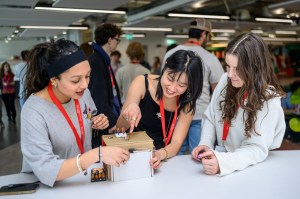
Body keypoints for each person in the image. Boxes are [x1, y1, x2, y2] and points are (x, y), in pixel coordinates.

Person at [21, 39, 129, 187]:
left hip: (81, 180)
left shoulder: (82, 94)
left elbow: (87, 117)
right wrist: (97, 154)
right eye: (75, 80)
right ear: (54, 80)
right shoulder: (33, 111)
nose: (85, 85)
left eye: (88, 76)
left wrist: (97, 121)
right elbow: (46, 169)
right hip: (48, 187)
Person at [192, 33, 286, 176]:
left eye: (237, 69)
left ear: (254, 69)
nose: (230, 74)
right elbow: (211, 116)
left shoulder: (268, 100)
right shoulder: (226, 80)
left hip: (251, 167)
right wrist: (206, 143)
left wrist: (223, 162)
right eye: (228, 66)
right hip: (226, 159)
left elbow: (256, 148)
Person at [116, 50, 204, 169]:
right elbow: (119, 128)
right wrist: (130, 110)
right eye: (170, 78)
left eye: (181, 85)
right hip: (128, 156)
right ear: (165, 67)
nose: (172, 88)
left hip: (160, 159)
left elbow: (177, 143)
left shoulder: (188, 102)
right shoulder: (142, 83)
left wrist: (159, 155)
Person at [163, 18, 224, 155]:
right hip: (199, 114)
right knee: (198, 155)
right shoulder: (210, 58)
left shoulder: (171, 54)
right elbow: (218, 91)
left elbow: (164, 83)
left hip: (175, 113)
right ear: (203, 34)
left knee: (174, 153)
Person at [88, 23, 123, 148]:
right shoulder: (96, 62)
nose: (117, 43)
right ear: (109, 40)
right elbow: (98, 97)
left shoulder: (102, 59)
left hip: (109, 116)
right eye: (117, 40)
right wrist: (112, 122)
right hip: (105, 122)